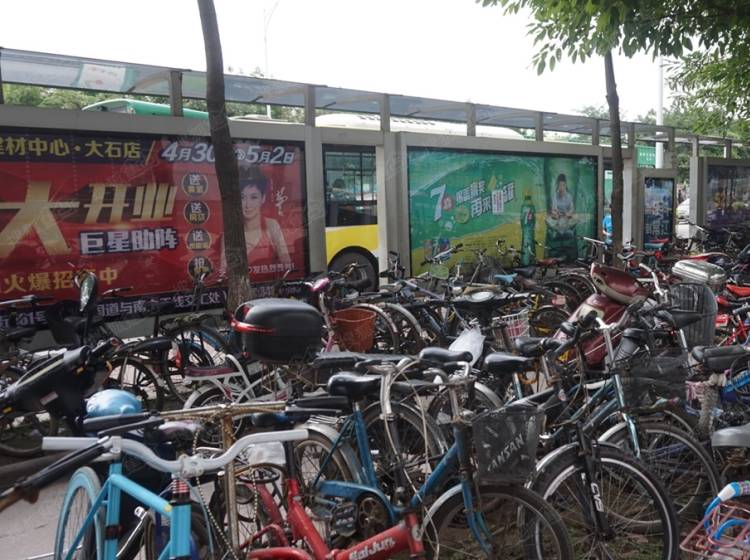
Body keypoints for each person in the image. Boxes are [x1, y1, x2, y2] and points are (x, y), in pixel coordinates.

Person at [221, 167, 292, 273]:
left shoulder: (271, 225)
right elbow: (223, 270)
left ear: (263, 198)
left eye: (254, 197)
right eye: (242, 197)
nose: (247, 205)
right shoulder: (230, 232)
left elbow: (287, 264)